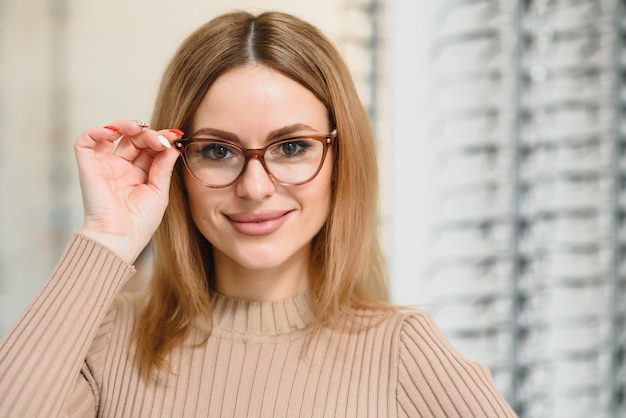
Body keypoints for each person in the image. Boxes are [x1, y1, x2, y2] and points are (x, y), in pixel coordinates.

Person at [0, 10, 517, 417]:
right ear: (176, 164)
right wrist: (107, 238)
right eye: (217, 151)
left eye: (291, 148)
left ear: (341, 158)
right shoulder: (106, 341)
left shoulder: (402, 354)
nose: (254, 187)